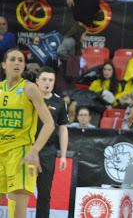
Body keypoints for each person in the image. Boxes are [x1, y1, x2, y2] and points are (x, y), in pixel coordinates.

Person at [0, 48, 54, 218]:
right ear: (3, 64)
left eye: (21, 60)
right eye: (13, 59)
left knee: (16, 211)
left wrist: (34, 150)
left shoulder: (29, 88)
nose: (17, 63)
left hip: (21, 154)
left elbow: (49, 123)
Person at [35, 66, 69, 218]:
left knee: (44, 194)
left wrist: (62, 155)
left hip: (48, 152)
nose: (47, 83)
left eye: (50, 80)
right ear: (37, 81)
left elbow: (63, 129)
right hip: (27, 149)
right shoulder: (28, 99)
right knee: (19, 190)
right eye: (44, 79)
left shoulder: (59, 102)